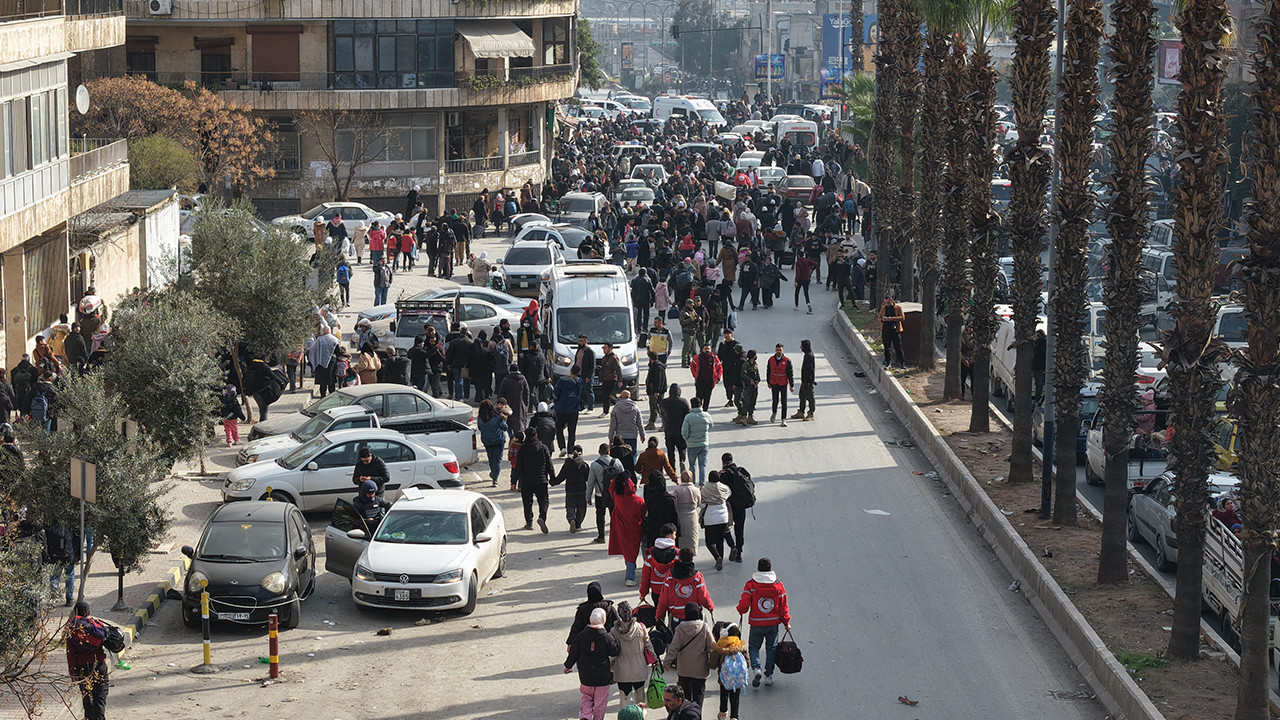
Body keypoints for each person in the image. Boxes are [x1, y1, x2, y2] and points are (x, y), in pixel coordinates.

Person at [736, 557, 792, 687]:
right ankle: (769, 676)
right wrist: (786, 622)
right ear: (770, 569)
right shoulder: (778, 586)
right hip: (773, 624)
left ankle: (756, 669)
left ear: (758, 569)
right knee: (771, 649)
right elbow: (783, 607)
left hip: (756, 623)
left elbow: (744, 604)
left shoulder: (751, 585)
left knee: (754, 647)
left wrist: (741, 610)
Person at [564, 607, 622, 720]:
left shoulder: (581, 636)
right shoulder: (607, 637)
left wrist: (568, 665)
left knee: (586, 697)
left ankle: (585, 716)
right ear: (603, 620)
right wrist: (618, 640)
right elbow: (615, 651)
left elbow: (574, 652)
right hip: (602, 677)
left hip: (585, 676)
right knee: (600, 702)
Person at [662, 602, 715, 708]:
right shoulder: (704, 627)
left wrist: (667, 662)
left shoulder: (680, 629)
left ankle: (686, 714)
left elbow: (673, 647)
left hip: (684, 669)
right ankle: (696, 714)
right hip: (700, 670)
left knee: (685, 697)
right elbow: (712, 646)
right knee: (698, 694)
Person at [66, 601, 109, 720]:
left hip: (82, 669)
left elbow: (70, 654)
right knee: (99, 698)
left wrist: (72, 673)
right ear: (88, 613)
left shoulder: (71, 629)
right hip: (99, 665)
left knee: (87, 699)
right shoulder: (94, 625)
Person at [610, 601, 657, 711]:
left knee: (624, 697)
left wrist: (610, 666)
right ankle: (640, 716)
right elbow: (648, 645)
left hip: (622, 670)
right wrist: (654, 660)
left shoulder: (614, 631)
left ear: (619, 615)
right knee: (640, 697)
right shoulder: (641, 627)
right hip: (639, 668)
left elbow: (611, 652)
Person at [608, 471, 646, 587]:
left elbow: (611, 487)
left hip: (621, 529)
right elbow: (643, 514)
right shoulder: (638, 501)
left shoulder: (618, 497)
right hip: (635, 528)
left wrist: (618, 479)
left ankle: (630, 575)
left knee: (628, 553)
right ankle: (637, 574)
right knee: (638, 550)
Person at [512, 428, 554, 533]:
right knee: (543, 500)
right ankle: (542, 517)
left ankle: (529, 523)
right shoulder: (543, 448)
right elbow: (549, 465)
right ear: (536, 435)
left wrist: (513, 482)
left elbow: (518, 467)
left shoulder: (522, 449)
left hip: (526, 481)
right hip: (541, 480)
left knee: (527, 502)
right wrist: (553, 478)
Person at [719, 454, 754, 563]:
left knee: (725, 528)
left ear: (723, 462)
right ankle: (739, 553)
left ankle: (732, 546)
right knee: (739, 529)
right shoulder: (742, 472)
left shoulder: (724, 475)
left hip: (729, 507)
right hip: (741, 506)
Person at [587, 444, 624, 544]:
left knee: (600, 514)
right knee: (614, 515)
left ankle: (601, 536)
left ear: (599, 452)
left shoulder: (594, 465)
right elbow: (623, 478)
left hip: (600, 494)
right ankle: (616, 536)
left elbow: (590, 482)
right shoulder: (617, 462)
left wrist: (588, 497)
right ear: (609, 452)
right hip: (614, 494)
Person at [712, 622, 749, 719]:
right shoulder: (740, 644)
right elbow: (747, 662)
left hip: (724, 677)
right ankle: (734, 716)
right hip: (737, 677)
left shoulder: (720, 645)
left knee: (724, 694)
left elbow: (712, 664)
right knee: (735, 696)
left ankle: (723, 713)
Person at [567, 580, 621, 647]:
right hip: (606, 643)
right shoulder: (608, 607)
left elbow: (576, 627)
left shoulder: (582, 609)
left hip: (587, 644)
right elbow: (618, 624)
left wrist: (570, 643)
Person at [701, 471, 735, 571]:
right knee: (720, 541)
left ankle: (717, 557)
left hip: (710, 517)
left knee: (709, 542)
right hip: (723, 516)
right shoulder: (724, 487)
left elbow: (701, 501)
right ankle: (720, 559)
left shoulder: (705, 489)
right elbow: (729, 494)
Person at [553, 445, 591, 532]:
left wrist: (553, 482)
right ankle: (578, 525)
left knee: (570, 506)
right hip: (581, 489)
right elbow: (589, 479)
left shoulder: (567, 464)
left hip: (570, 489)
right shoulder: (584, 465)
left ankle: (571, 519)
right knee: (581, 507)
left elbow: (561, 477)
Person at [639, 524, 679, 605]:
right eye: (675, 534)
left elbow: (645, 576)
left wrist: (643, 593)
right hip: (673, 589)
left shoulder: (650, 555)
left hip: (656, 590)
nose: (675, 537)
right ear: (670, 536)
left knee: (658, 613)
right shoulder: (678, 554)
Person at [680, 398, 713, 486]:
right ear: (700, 405)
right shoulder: (706, 415)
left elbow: (684, 432)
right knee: (702, 465)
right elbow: (711, 425)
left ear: (691, 405)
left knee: (692, 465)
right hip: (704, 443)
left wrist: (687, 439)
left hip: (692, 445)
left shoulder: (688, 417)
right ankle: (702, 484)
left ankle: (692, 483)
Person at [477, 399, 510, 487]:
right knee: (498, 460)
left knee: (491, 458)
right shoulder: (497, 417)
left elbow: (480, 429)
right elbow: (505, 427)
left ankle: (493, 473)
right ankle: (495, 478)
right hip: (498, 440)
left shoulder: (480, 419)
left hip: (487, 441)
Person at [643, 471, 680, 549]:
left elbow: (650, 517)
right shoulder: (671, 499)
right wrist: (678, 532)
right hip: (669, 531)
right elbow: (675, 516)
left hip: (655, 531)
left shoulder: (651, 500)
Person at [553, 365, 584, 456]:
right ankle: (570, 451)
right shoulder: (579, 382)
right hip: (574, 409)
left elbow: (555, 394)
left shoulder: (561, 381)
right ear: (578, 372)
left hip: (561, 409)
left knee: (559, 428)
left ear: (570, 370)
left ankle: (562, 447)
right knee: (572, 431)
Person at [609, 390, 646, 466]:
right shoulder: (635, 408)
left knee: (621, 454)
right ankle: (632, 470)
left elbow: (612, 425)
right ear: (630, 397)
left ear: (620, 397)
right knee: (633, 453)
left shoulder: (616, 408)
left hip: (620, 436)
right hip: (632, 435)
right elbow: (640, 423)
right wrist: (642, 435)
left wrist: (610, 437)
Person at [662, 385, 691, 471]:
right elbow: (688, 414)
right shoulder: (684, 402)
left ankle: (672, 467)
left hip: (669, 429)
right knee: (682, 447)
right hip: (680, 429)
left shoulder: (664, 402)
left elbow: (662, 412)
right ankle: (682, 460)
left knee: (670, 450)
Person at [766, 344, 795, 426]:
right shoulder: (771, 359)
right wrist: (768, 381)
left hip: (783, 383)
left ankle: (783, 419)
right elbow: (768, 371)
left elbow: (790, 374)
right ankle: (774, 412)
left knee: (784, 402)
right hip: (774, 383)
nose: (778, 351)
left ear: (783, 350)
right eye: (777, 350)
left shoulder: (787, 360)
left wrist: (791, 385)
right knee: (775, 400)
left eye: (780, 350)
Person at [689, 344, 722, 411]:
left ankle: (705, 411)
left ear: (711, 350)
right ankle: (698, 411)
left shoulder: (715, 358)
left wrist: (717, 378)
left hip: (710, 382)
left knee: (707, 397)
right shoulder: (697, 357)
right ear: (702, 350)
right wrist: (695, 375)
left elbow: (720, 368)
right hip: (700, 381)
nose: (707, 350)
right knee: (699, 397)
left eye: (708, 349)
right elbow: (692, 366)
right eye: (705, 349)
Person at [716, 331, 743, 410]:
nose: (727, 336)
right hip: (725, 367)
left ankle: (737, 399)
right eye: (725, 334)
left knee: (735, 383)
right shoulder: (722, 344)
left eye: (728, 334)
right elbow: (719, 356)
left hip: (734, 368)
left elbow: (741, 354)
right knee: (726, 383)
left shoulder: (736, 344)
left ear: (731, 335)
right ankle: (730, 399)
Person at [878, 293, 906, 368]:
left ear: (892, 301)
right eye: (886, 303)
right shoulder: (883, 308)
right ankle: (888, 362)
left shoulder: (898, 308)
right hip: (886, 330)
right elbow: (879, 318)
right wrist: (883, 320)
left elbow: (902, 317)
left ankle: (902, 363)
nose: (887, 304)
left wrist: (892, 318)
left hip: (895, 330)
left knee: (898, 347)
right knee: (887, 347)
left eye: (888, 302)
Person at [792, 339, 817, 421]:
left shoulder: (809, 356)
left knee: (810, 397)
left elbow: (810, 370)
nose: (800, 347)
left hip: (808, 382)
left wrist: (808, 381)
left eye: (802, 346)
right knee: (802, 396)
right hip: (804, 381)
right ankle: (801, 412)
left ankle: (811, 413)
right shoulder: (807, 355)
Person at [645, 351, 669, 431]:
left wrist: (656, 391)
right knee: (653, 407)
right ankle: (651, 423)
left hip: (656, 391)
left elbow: (658, 380)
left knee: (660, 407)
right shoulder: (653, 366)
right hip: (652, 391)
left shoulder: (657, 367)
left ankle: (666, 424)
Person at [574, 334, 598, 412]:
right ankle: (580, 406)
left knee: (589, 392)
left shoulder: (590, 352)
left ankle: (591, 407)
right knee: (578, 392)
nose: (579, 343)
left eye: (581, 341)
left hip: (586, 376)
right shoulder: (579, 350)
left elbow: (592, 366)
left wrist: (589, 376)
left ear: (585, 341)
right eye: (578, 341)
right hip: (578, 375)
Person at [598, 344, 624, 416]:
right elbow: (602, 370)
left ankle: (608, 410)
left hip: (611, 379)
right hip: (605, 379)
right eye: (603, 348)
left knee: (607, 395)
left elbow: (618, 369)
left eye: (605, 348)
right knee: (605, 395)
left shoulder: (613, 358)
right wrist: (600, 380)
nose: (604, 350)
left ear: (610, 348)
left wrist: (620, 380)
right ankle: (607, 410)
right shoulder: (604, 358)